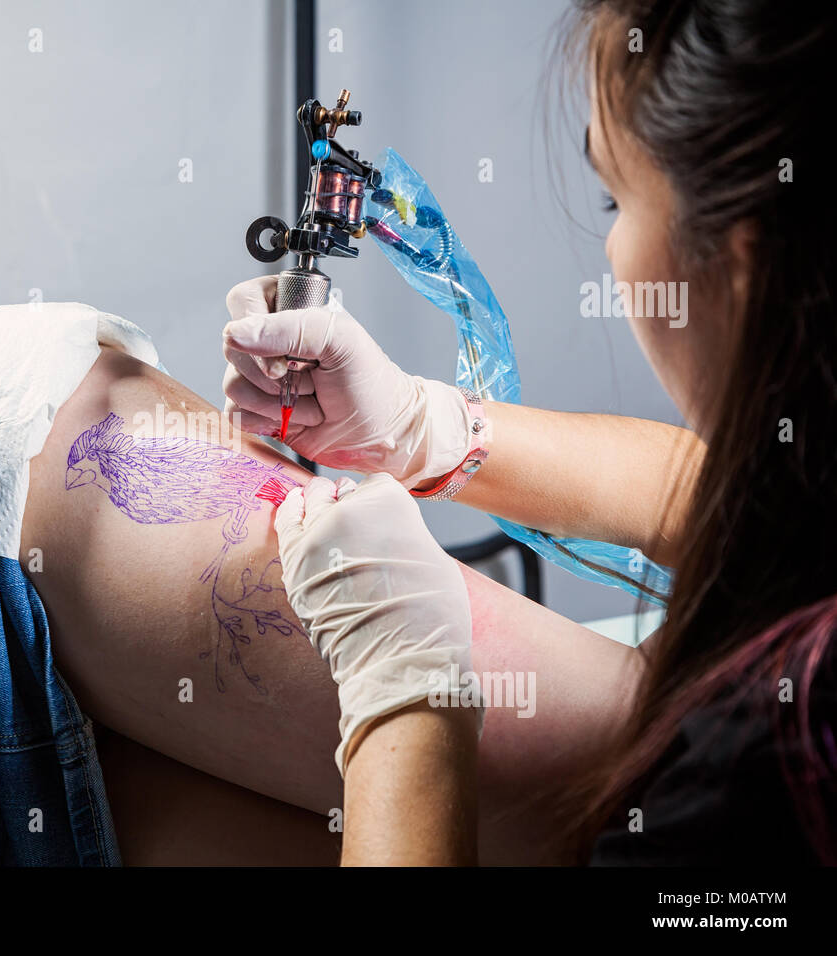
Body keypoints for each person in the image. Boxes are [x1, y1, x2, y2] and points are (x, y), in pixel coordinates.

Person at [221, 0, 837, 864]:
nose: (614, 244)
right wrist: (420, 428)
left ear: (742, 268)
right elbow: (733, 495)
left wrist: (409, 694)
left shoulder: (744, 790)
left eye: (615, 196)